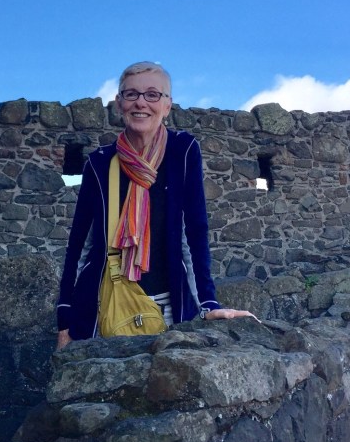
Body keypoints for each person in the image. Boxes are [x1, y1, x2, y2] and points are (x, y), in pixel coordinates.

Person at [56, 61, 257, 349]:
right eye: (131, 94)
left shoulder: (182, 150)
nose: (141, 102)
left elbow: (194, 231)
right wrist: (65, 320)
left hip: (171, 309)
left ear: (167, 105)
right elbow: (79, 246)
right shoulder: (99, 163)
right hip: (107, 308)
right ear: (119, 103)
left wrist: (208, 303)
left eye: (152, 94)